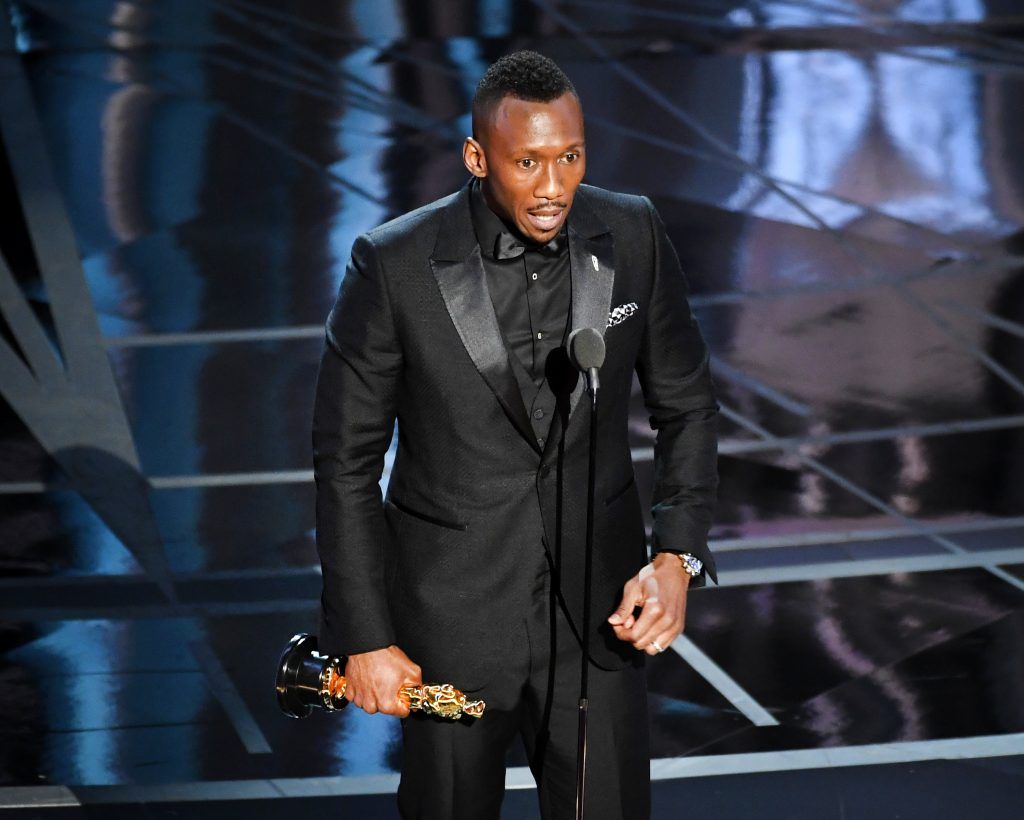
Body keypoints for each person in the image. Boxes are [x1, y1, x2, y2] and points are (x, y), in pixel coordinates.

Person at [312, 50, 719, 820]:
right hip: (451, 631)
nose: (554, 186)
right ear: (477, 157)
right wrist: (363, 638)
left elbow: (688, 406)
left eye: (569, 157)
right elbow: (346, 464)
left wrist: (677, 557)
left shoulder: (630, 234)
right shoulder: (393, 266)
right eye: (527, 162)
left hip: (600, 624)